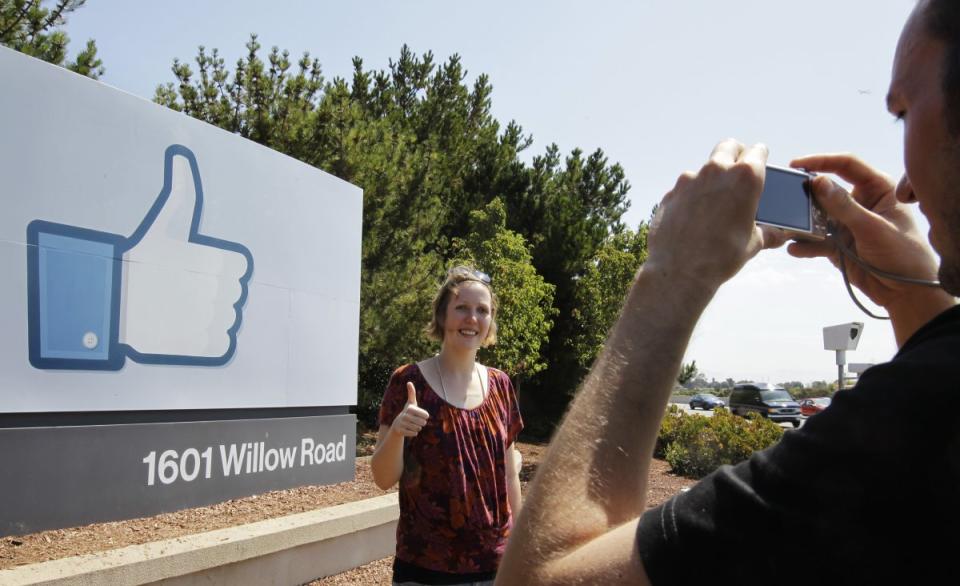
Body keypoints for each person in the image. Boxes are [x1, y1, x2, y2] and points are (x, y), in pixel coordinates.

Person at [496, 1, 960, 584]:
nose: (908, 188)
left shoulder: (905, 423)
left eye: (901, 112)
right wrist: (917, 300)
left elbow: (539, 576)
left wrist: (669, 277)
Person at [371, 266, 524, 586]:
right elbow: (383, 478)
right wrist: (399, 430)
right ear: (442, 316)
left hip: (493, 567)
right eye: (462, 308)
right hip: (425, 568)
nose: (472, 318)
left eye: (483, 310)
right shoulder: (408, 381)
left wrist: (520, 549)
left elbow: (508, 475)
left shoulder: (501, 385)